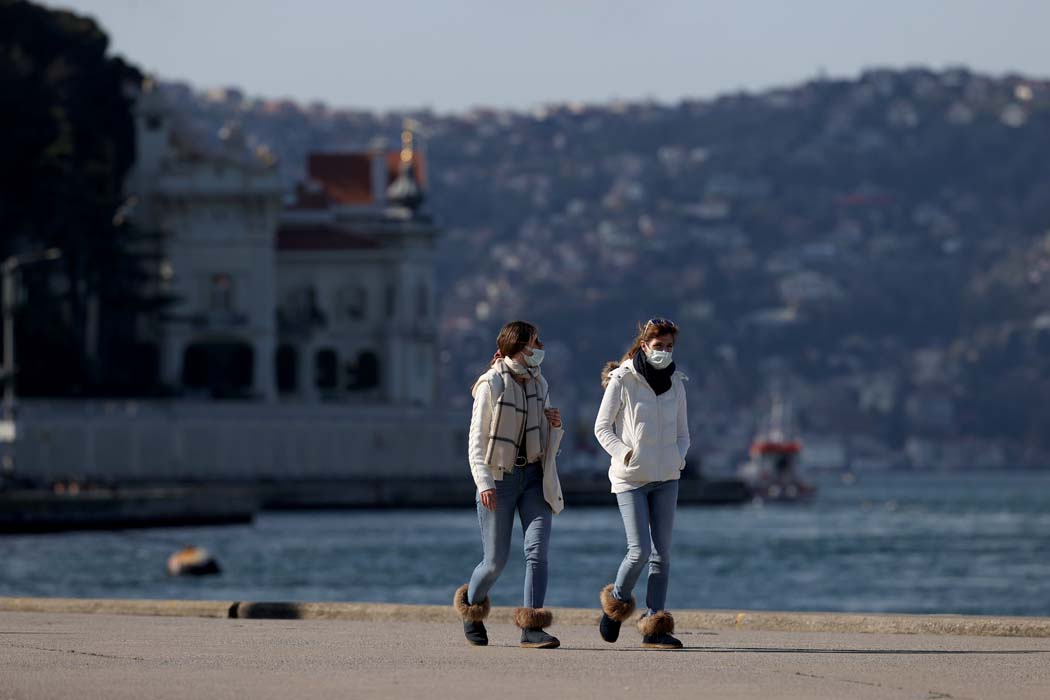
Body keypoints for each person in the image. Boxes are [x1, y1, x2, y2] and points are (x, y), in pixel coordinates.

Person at [453, 320, 565, 649]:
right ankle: (471, 609)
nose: (540, 348)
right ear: (519, 348)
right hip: (499, 478)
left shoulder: (540, 383)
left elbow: (546, 441)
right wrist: (484, 483)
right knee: (495, 562)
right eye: (534, 342)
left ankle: (532, 627)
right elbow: (476, 441)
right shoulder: (491, 384)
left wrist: (555, 426)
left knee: (537, 551)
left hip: (534, 476)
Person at [593, 317, 689, 649]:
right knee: (639, 552)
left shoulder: (677, 382)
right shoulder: (623, 379)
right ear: (644, 345)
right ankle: (616, 604)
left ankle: (655, 625)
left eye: (669, 347)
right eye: (658, 346)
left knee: (662, 554)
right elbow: (602, 427)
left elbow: (683, 433)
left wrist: (679, 458)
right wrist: (624, 454)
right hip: (631, 478)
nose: (663, 352)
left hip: (666, 478)